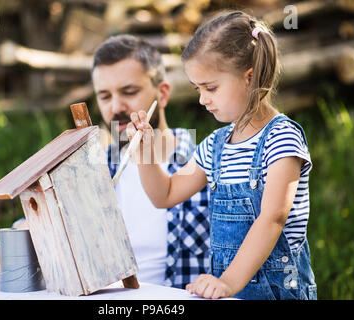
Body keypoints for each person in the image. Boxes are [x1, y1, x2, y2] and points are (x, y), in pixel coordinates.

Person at [126, 10, 317, 299]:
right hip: (228, 292)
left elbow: (272, 218)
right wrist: (145, 156)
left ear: (249, 78)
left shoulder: (281, 138)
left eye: (211, 87)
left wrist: (228, 282)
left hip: (278, 293)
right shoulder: (216, 145)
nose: (202, 99)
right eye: (197, 89)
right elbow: (164, 194)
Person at [91, 35, 210, 289]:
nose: (116, 107)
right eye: (104, 96)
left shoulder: (205, 165)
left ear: (163, 94)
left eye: (129, 91)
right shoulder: (93, 170)